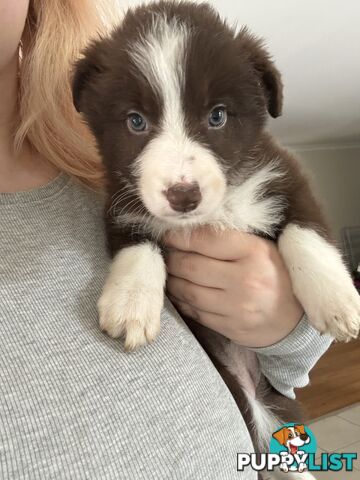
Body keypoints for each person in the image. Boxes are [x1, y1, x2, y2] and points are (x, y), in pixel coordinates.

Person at [0, 1, 332, 479]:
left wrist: (290, 327)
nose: (179, 174)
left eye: (215, 115)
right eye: (138, 123)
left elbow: (291, 366)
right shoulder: (125, 193)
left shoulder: (88, 177)